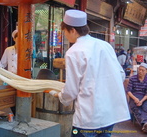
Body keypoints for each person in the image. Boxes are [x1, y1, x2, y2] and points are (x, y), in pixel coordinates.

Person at [49, 9, 130, 137]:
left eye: (64, 31)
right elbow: (120, 75)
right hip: (110, 114)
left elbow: (71, 89)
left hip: (88, 118)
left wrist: (60, 96)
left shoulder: (74, 52)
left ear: (73, 30)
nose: (64, 35)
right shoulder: (105, 45)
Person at [1, 30, 18, 114]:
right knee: (10, 97)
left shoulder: (25, 50)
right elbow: (2, 64)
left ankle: (17, 113)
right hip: (10, 78)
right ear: (14, 39)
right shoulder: (8, 50)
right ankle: (13, 113)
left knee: (18, 96)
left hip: (20, 78)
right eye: (17, 38)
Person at [127, 63, 147, 132]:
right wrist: (135, 99)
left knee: (145, 108)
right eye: (139, 70)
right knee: (137, 110)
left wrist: (141, 101)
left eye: (142, 70)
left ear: (146, 71)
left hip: (144, 98)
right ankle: (144, 123)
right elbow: (128, 91)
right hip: (134, 96)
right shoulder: (133, 78)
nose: (140, 71)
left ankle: (145, 124)